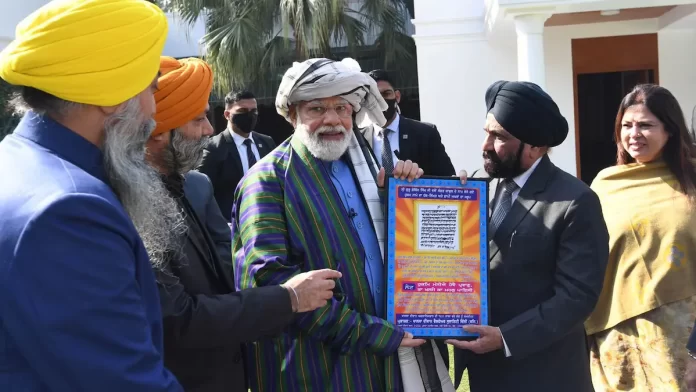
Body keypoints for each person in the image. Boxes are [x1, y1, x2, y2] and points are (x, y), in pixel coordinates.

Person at [232, 58, 455, 391]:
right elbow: (275, 288)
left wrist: (410, 197)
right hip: (317, 368)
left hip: (388, 360)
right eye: (317, 109)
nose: (332, 119)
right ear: (292, 114)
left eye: (342, 108)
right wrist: (374, 334)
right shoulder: (266, 182)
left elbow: (404, 249)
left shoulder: (367, 168)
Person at [0, 0, 183, 391]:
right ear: (110, 95)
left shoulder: (15, 160)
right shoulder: (69, 210)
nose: (153, 113)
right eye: (151, 88)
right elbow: (125, 382)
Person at [146, 56, 341, 392]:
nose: (209, 130)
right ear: (158, 132)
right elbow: (177, 318)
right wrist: (288, 298)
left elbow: (231, 271)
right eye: (197, 120)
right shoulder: (124, 203)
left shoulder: (194, 186)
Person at [450, 80, 609, 392]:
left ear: (535, 147)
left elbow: (577, 297)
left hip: (546, 374)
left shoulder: (575, 201)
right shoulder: (478, 190)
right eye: (486, 132)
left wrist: (506, 338)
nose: (485, 145)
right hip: (486, 375)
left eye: (499, 137)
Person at [586, 84, 696, 391]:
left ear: (670, 130)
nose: (634, 133)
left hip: (683, 339)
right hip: (617, 339)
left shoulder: (692, 183)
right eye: (626, 125)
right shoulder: (606, 185)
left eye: (646, 125)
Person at [199, 90, 276, 221]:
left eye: (254, 111)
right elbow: (203, 192)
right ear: (227, 114)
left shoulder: (267, 142)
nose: (250, 115)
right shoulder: (214, 148)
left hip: (267, 219)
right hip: (231, 224)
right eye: (243, 111)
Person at [361, 69, 455, 176]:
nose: (381, 101)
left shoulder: (426, 133)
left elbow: (447, 180)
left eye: (386, 94)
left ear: (397, 97)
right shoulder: (359, 138)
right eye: (375, 96)